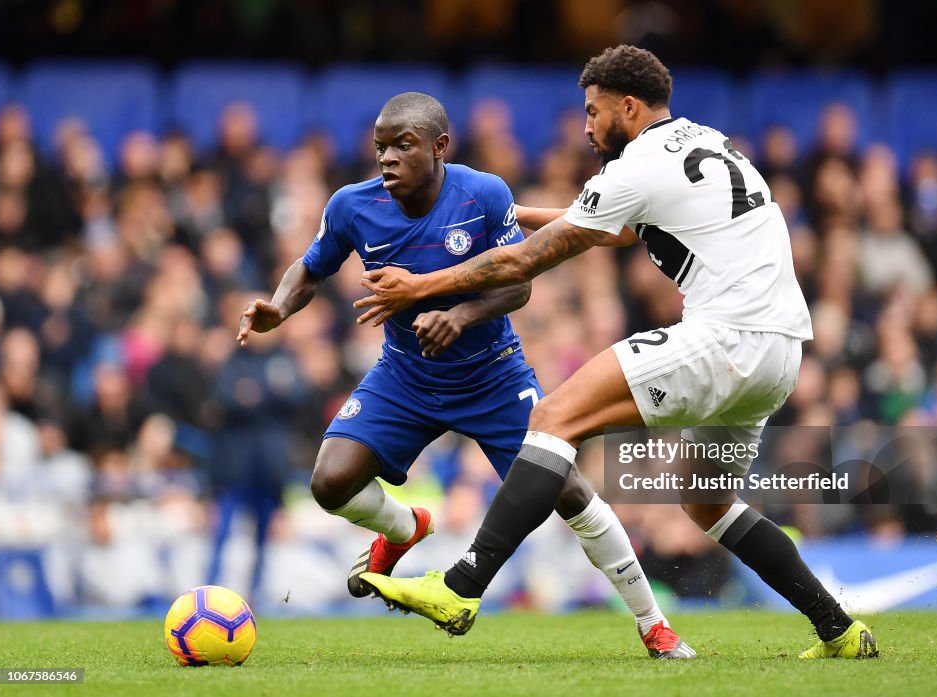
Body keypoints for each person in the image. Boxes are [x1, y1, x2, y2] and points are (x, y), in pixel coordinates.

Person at [354, 50, 879, 660]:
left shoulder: (637, 165)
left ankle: (461, 586)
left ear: (627, 107)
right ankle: (839, 630)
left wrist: (420, 286)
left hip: (726, 337)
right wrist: (518, 212)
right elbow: (625, 229)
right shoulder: (707, 142)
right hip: (781, 352)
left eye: (592, 111)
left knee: (553, 419)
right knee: (705, 500)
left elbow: (523, 263)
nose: (585, 126)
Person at [236, 92, 693, 659]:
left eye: (403, 145)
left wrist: (460, 315)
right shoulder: (353, 206)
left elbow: (518, 284)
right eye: (380, 147)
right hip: (404, 373)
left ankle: (653, 622)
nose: (387, 158)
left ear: (439, 147)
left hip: (492, 376)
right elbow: (310, 268)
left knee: (571, 493)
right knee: (330, 483)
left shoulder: (483, 194)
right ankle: (406, 528)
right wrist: (279, 308)